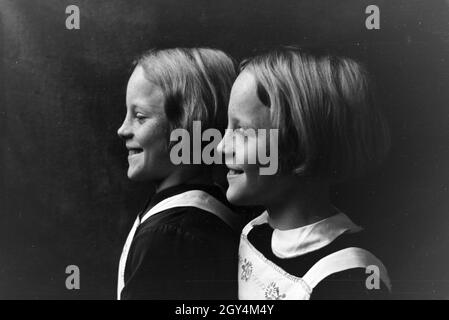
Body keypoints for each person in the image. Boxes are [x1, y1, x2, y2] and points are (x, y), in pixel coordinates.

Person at [217, 47, 392, 300]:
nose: (222, 146)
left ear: (299, 143)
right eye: (228, 127)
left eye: (242, 131)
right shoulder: (254, 232)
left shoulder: (348, 279)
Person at [117, 48, 242, 299]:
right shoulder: (196, 211)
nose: (122, 129)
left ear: (187, 127)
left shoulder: (170, 235)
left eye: (140, 117)